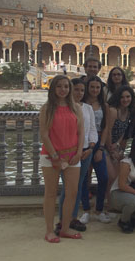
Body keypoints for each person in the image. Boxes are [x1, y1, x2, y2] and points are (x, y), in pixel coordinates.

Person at [39, 75, 84, 242]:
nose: (63, 89)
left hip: (72, 155)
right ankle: (49, 230)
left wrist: (79, 152)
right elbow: (44, 134)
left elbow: (81, 133)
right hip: (51, 156)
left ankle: (65, 228)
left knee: (72, 193)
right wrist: (55, 156)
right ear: (53, 89)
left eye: (66, 86)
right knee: (51, 193)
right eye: (59, 86)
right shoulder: (47, 108)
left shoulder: (76, 108)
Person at [56, 78, 98, 234]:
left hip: (85, 150)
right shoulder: (63, 108)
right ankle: (62, 220)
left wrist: (91, 147)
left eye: (82, 90)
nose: (79, 93)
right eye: (76, 90)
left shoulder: (87, 108)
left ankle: (72, 217)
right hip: (68, 152)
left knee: (78, 186)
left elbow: (92, 130)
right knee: (68, 187)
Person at [80, 75, 111, 224]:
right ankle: (86, 210)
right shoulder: (81, 104)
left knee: (103, 177)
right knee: (84, 178)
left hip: (98, 143)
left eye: (98, 87)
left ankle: (99, 210)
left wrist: (101, 148)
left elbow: (105, 128)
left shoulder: (104, 105)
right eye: (92, 87)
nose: (95, 90)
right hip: (84, 142)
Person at [105, 85, 135, 201]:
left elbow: (123, 131)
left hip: (115, 146)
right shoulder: (113, 111)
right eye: (122, 97)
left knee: (118, 177)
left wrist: (118, 146)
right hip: (105, 146)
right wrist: (111, 149)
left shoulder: (128, 112)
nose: (125, 99)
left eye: (128, 97)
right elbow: (108, 131)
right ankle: (107, 203)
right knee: (111, 176)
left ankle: (111, 202)